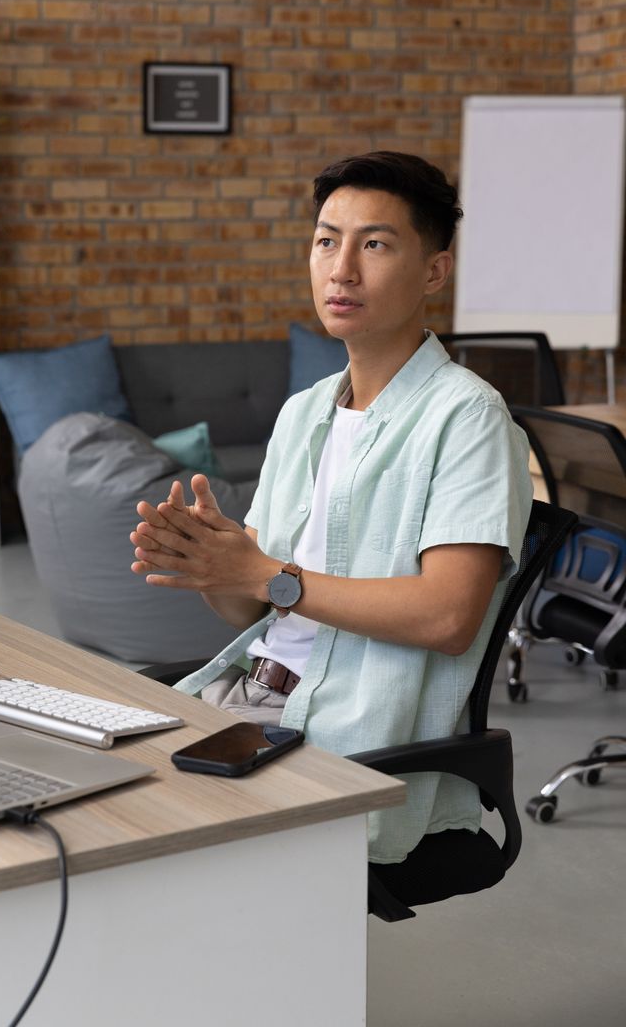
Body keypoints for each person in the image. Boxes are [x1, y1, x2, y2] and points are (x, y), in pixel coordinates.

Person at [130, 150, 533, 865]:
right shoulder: (305, 412)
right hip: (244, 696)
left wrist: (268, 576)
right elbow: (253, 610)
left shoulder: (469, 418)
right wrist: (211, 569)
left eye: (374, 244)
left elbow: (448, 616)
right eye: (326, 240)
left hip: (345, 736)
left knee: (128, 845)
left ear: (434, 271)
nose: (341, 268)